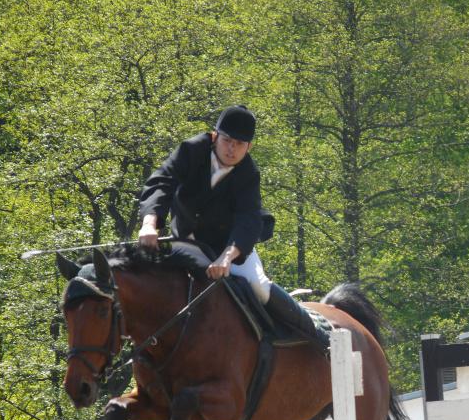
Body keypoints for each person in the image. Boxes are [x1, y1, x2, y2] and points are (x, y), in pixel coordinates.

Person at [138, 104, 329, 355]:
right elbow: (162, 182)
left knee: (258, 285)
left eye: (240, 144)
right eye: (227, 140)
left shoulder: (248, 173)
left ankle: (318, 335)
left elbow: (248, 220)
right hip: (184, 242)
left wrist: (226, 258)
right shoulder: (190, 150)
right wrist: (149, 224)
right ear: (214, 136)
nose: (232, 149)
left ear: (249, 147)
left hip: (226, 246)